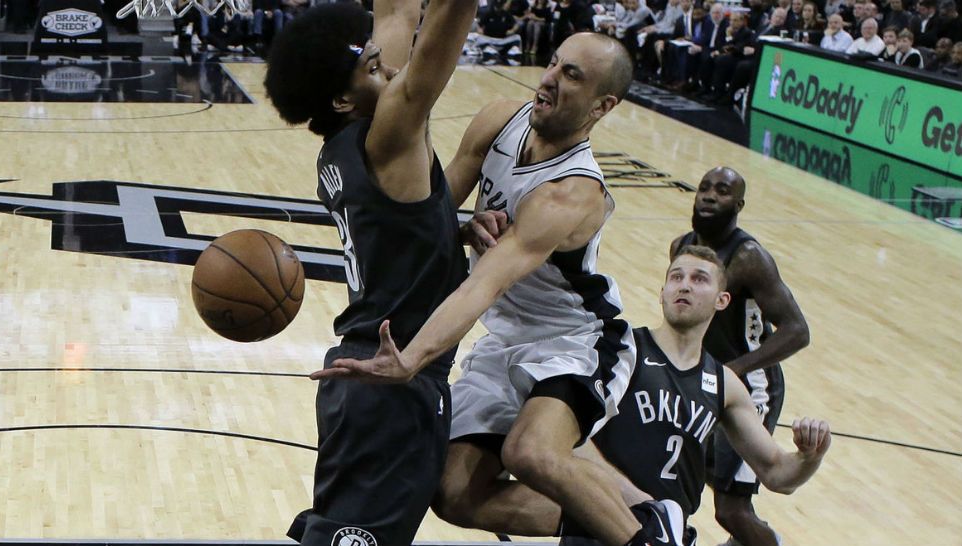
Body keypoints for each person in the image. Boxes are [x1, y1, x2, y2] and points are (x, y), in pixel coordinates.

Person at [313, 32, 688, 546]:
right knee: (453, 495)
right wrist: (460, 227)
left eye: (572, 75)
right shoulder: (499, 120)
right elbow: (431, 213)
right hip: (505, 340)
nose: (551, 78)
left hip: (576, 341)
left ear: (603, 105)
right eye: (554, 63)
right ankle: (644, 516)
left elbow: (484, 284)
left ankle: (644, 539)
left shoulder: (571, 192)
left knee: (530, 452)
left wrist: (413, 358)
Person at [262, 0, 477, 544]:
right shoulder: (389, 134)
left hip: (364, 374)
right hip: (392, 379)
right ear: (343, 98)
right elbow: (437, 36)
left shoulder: (340, 151)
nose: (391, 69)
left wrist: (451, 227)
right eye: (375, 68)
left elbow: (399, 13)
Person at [561, 245, 832, 546]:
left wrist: (810, 456)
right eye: (676, 277)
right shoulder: (621, 349)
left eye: (699, 279)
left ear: (722, 300)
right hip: (599, 531)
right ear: (662, 292)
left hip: (666, 536)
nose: (685, 285)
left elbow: (778, 473)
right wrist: (642, 506)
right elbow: (568, 441)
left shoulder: (724, 384)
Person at [669, 167, 810, 546]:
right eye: (704, 188)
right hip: (703, 381)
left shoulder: (749, 258)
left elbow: (798, 331)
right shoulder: (682, 247)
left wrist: (733, 371)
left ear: (739, 204)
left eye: (722, 191)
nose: (710, 196)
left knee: (731, 509)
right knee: (677, 485)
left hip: (751, 388)